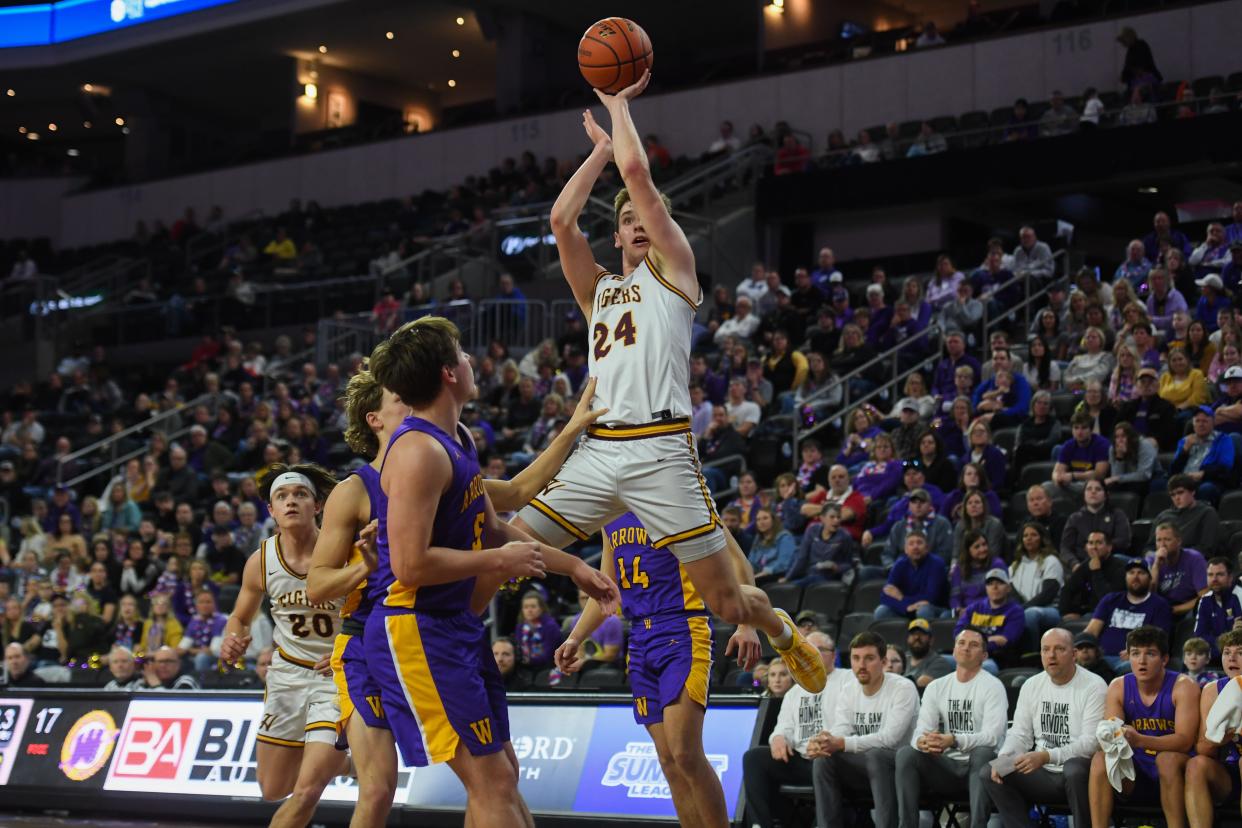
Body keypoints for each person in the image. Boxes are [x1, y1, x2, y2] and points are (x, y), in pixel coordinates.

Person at [527, 74, 826, 700]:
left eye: (644, 219)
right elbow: (560, 219)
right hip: (599, 447)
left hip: (662, 448)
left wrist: (619, 107)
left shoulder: (677, 274)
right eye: (626, 222)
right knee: (507, 542)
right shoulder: (598, 292)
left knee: (727, 602)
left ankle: (779, 626)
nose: (637, 224)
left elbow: (642, 182)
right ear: (615, 236)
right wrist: (598, 155)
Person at [364, 318, 619, 828]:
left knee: (503, 774)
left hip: (453, 623)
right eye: (461, 353)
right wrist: (497, 561)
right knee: (491, 781)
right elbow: (411, 567)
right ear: (447, 374)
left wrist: (572, 567)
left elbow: (494, 524)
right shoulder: (417, 451)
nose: (470, 361)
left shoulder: (455, 438)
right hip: (416, 628)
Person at [559, 511, 755, 827]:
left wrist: (747, 623)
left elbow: (737, 561)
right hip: (639, 635)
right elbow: (606, 591)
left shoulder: (679, 494)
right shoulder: (612, 517)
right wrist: (575, 637)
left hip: (682, 627)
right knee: (667, 760)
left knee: (685, 754)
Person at [219, 464, 350, 828]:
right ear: (271, 511)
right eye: (282, 496)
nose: (291, 501)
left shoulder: (345, 551)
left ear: (318, 506)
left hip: (334, 676)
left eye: (300, 494)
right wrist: (233, 639)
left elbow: (373, 613)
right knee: (273, 788)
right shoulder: (260, 560)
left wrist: (345, 649)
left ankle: (331, 761)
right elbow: (240, 617)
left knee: (307, 790)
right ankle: (353, 764)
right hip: (287, 675)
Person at [981, 628, 1106, 828]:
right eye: (1045, 650)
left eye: (1059, 649)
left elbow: (1091, 743)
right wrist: (1005, 756)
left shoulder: (1094, 686)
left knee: (1074, 769)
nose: (1051, 655)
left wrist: (1046, 756)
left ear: (1074, 654)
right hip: (1041, 772)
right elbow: (1020, 734)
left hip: (1078, 772)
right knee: (991, 770)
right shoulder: (1031, 685)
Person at [896, 626, 1008, 828]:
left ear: (983, 655)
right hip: (947, 768)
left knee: (982, 752)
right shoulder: (937, 686)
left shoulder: (993, 686)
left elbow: (992, 737)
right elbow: (920, 731)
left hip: (982, 770)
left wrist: (953, 739)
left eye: (973, 645)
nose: (966, 648)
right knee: (906, 753)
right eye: (961, 643)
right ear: (954, 650)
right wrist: (923, 742)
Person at [1087, 626, 1198, 828]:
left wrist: (1141, 740)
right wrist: (1111, 734)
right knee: (1100, 759)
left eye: (1150, 654)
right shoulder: (1118, 686)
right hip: (1136, 771)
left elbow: (1184, 741)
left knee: (1167, 760)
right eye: (1136, 653)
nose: (1142, 660)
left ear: (1164, 659)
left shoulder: (1184, 686)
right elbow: (1112, 734)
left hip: (1175, 770)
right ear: (1128, 657)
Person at [812, 631, 920, 828]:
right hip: (866, 764)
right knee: (823, 759)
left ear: (883, 661)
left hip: (900, 766)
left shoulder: (903, 688)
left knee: (877, 754)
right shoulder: (849, 689)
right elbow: (841, 728)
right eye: (856, 658)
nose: (861, 665)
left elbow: (891, 739)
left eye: (869, 658)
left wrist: (842, 743)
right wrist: (826, 741)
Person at [742, 632, 849, 828]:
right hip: (803, 759)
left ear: (833, 656)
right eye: (807, 650)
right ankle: (760, 825)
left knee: (824, 761)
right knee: (753, 758)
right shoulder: (796, 691)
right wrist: (779, 738)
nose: (811, 655)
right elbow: (784, 725)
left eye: (819, 651)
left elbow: (850, 722)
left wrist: (829, 742)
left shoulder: (847, 680)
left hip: (833, 758)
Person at [1184, 629, 1242, 828]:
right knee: (1196, 765)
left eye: (1240, 652)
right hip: (1227, 773)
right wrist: (1222, 737)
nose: (1232, 658)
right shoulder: (1212, 690)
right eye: (1227, 652)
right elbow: (1202, 747)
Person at [1083, 559, 1174, 671]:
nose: (1135, 576)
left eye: (1141, 573)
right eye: (1131, 573)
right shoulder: (1111, 599)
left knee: (1129, 669)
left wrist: (1136, 652)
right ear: (1125, 577)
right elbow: (1091, 631)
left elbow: (1160, 639)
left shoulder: (1160, 605)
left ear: (1150, 578)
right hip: (1102, 658)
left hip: (1134, 661)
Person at [954, 569, 1025, 672]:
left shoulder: (1015, 611)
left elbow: (1006, 641)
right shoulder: (974, 608)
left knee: (985, 668)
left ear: (1009, 588)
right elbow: (958, 633)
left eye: (1000, 583)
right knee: (943, 662)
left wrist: (971, 642)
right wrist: (989, 640)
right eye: (990, 584)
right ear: (986, 588)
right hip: (965, 655)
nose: (994, 587)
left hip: (993, 659)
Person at [875, 529, 950, 620]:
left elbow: (931, 598)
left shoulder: (937, 564)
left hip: (935, 608)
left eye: (919, 543)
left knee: (923, 610)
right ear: (906, 550)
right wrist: (906, 606)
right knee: (881, 611)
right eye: (911, 544)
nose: (915, 547)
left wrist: (901, 597)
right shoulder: (900, 564)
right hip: (906, 608)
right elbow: (885, 595)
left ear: (927, 548)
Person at [1169, 405, 1236, 505]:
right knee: (1161, 485)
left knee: (1206, 489)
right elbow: (1174, 469)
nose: (1201, 424)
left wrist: (1203, 474)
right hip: (1185, 480)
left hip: (1210, 480)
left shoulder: (1223, 439)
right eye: (1198, 421)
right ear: (1193, 423)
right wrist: (1185, 451)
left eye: (1205, 421)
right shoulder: (1185, 441)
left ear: (1213, 422)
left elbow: (1225, 466)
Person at [1059, 479, 1131, 571]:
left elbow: (1124, 540)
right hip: (1081, 563)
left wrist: (1102, 548)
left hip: (1110, 561)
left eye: (1098, 489)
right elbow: (1065, 548)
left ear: (1106, 495)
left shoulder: (1117, 514)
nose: (1093, 492)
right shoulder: (1075, 518)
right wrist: (1074, 564)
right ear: (1084, 495)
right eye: (1089, 489)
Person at [1059, 531, 1129, 620]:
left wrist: (1096, 572)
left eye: (1099, 543)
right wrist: (1066, 612)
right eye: (1090, 543)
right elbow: (1067, 589)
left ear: (1109, 547)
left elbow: (1108, 600)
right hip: (1088, 612)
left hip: (1111, 613)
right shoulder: (1086, 565)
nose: (1094, 547)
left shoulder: (1120, 567)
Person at [1147, 522, 1208, 617]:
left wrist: (1175, 610)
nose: (1162, 545)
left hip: (1188, 609)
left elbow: (1204, 595)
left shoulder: (1194, 558)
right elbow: (1147, 596)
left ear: (1179, 541)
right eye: (1158, 540)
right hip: (1160, 609)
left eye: (1167, 540)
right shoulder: (1151, 560)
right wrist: (1156, 566)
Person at [1192, 557, 1241, 659]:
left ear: (1230, 577)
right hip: (1214, 654)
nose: (1214, 579)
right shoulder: (1205, 600)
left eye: (1220, 574)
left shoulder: (1239, 596)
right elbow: (1200, 635)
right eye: (1210, 575)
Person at [1052, 413, 1111, 495]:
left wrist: (1072, 476)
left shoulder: (1102, 444)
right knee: (1046, 487)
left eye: (1084, 428)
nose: (1079, 432)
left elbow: (1099, 474)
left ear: (1091, 430)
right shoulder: (1068, 445)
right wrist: (1058, 479)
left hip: (1093, 485)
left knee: (1085, 488)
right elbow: (1056, 472)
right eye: (1076, 428)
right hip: (1071, 484)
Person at [904, 618, 954, 689]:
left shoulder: (940, 663)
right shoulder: (902, 658)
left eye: (922, 634)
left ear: (931, 640)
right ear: (907, 639)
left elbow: (922, 683)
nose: (917, 637)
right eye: (913, 634)